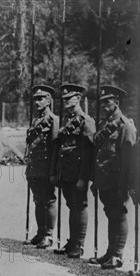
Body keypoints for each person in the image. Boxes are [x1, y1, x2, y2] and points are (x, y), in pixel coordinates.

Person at [89, 85, 137, 269]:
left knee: (119, 215)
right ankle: (110, 252)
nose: (103, 105)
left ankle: (117, 255)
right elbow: (99, 154)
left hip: (117, 181)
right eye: (101, 102)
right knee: (110, 215)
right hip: (104, 180)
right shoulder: (103, 124)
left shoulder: (125, 125)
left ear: (117, 102)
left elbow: (128, 160)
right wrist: (95, 181)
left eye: (107, 102)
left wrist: (124, 185)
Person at [51, 83, 95, 258]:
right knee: (72, 206)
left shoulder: (86, 121)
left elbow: (88, 152)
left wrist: (83, 178)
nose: (66, 101)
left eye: (69, 98)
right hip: (66, 171)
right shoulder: (66, 120)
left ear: (78, 99)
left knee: (79, 206)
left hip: (77, 173)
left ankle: (79, 244)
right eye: (64, 99)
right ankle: (72, 241)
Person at [24, 85, 59, 249]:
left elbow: (54, 147)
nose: (37, 102)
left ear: (49, 101)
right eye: (35, 99)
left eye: (41, 99)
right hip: (34, 166)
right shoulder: (35, 121)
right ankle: (40, 232)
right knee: (38, 200)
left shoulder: (54, 120)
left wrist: (53, 170)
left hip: (46, 166)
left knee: (48, 200)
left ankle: (49, 235)